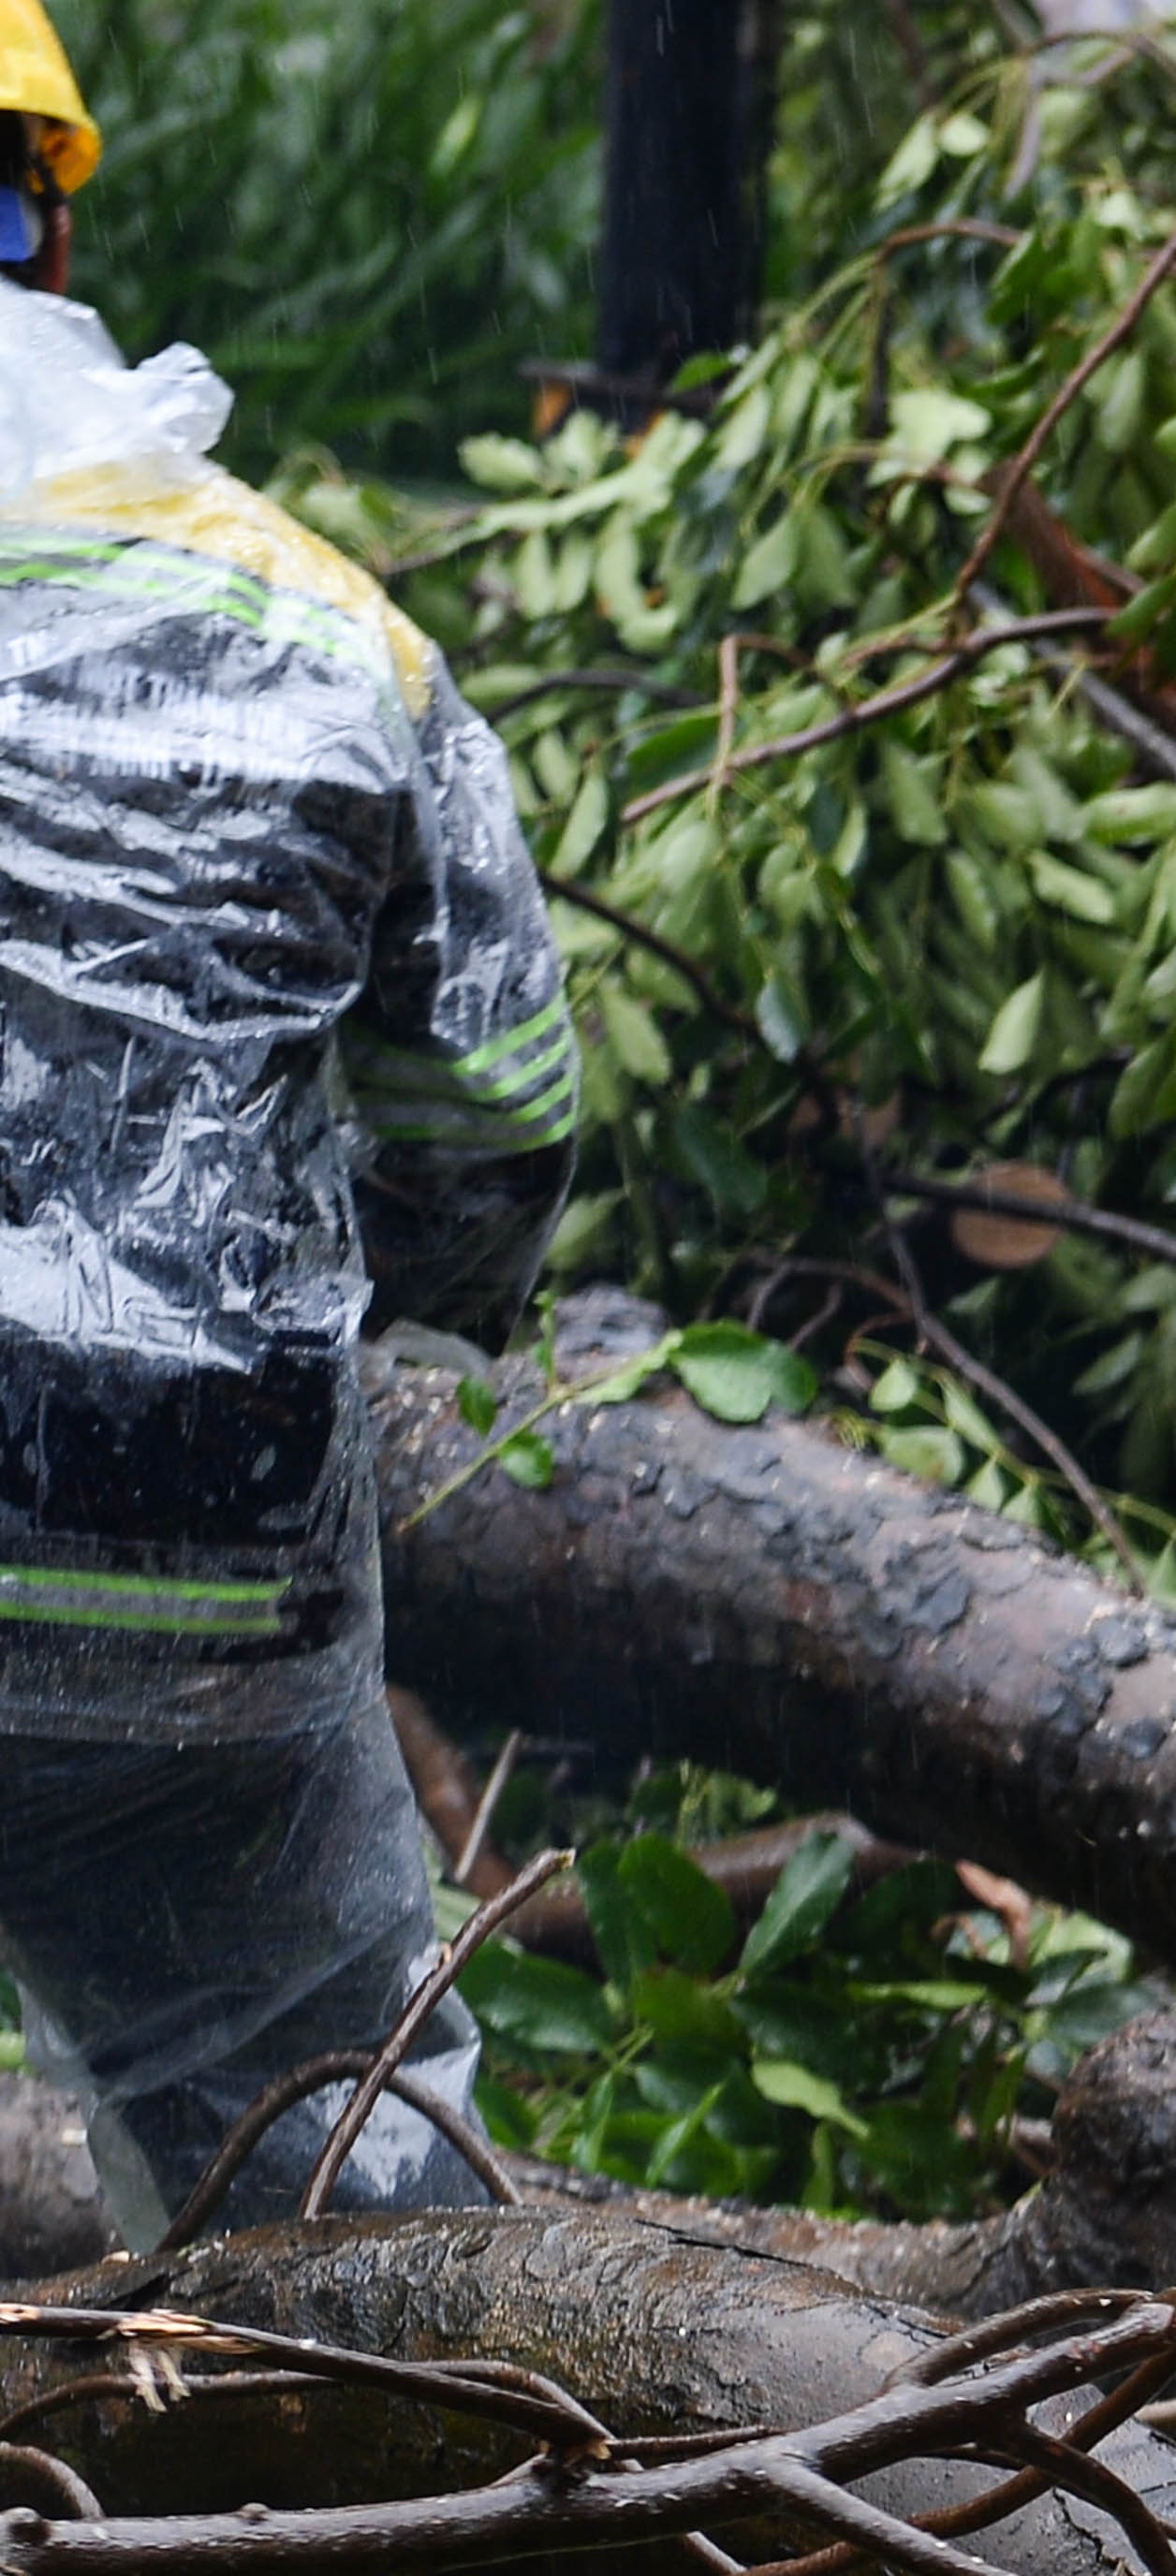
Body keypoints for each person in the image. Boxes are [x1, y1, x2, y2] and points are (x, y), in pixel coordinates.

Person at [0, 0, 578, 2247]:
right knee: (347, 2184)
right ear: (49, 208)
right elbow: (500, 1126)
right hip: (197, 1577)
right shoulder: (325, 623)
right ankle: (436, 2538)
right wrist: (331, 1307)